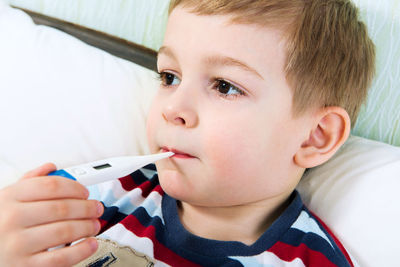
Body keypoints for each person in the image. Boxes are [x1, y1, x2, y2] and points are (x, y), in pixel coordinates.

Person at [0, 0, 375, 266]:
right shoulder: (103, 201)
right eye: (169, 77)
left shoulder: (310, 262)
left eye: (225, 86)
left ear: (315, 137)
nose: (173, 108)